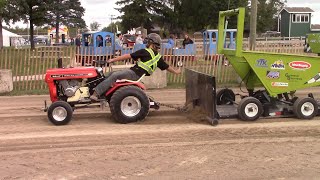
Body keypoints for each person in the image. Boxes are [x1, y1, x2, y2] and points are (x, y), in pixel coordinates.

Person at [90, 33, 181, 100]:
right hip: (135, 73)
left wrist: (112, 60)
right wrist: (176, 71)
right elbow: (167, 67)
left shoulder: (145, 51)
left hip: (134, 74)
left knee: (114, 75)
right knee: (111, 74)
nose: (146, 43)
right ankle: (103, 91)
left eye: (148, 41)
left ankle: (96, 93)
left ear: (152, 43)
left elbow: (128, 56)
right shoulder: (158, 57)